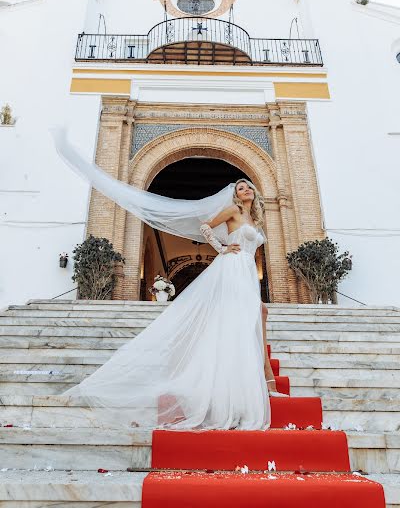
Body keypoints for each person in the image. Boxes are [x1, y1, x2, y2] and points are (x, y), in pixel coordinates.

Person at [50, 128, 287, 431]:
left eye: (248, 187)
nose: (245, 190)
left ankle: (256, 384)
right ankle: (251, 385)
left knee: (253, 316)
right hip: (232, 266)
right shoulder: (231, 211)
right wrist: (222, 247)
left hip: (246, 271)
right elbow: (204, 226)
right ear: (235, 195)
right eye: (241, 188)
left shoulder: (256, 219)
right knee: (250, 316)